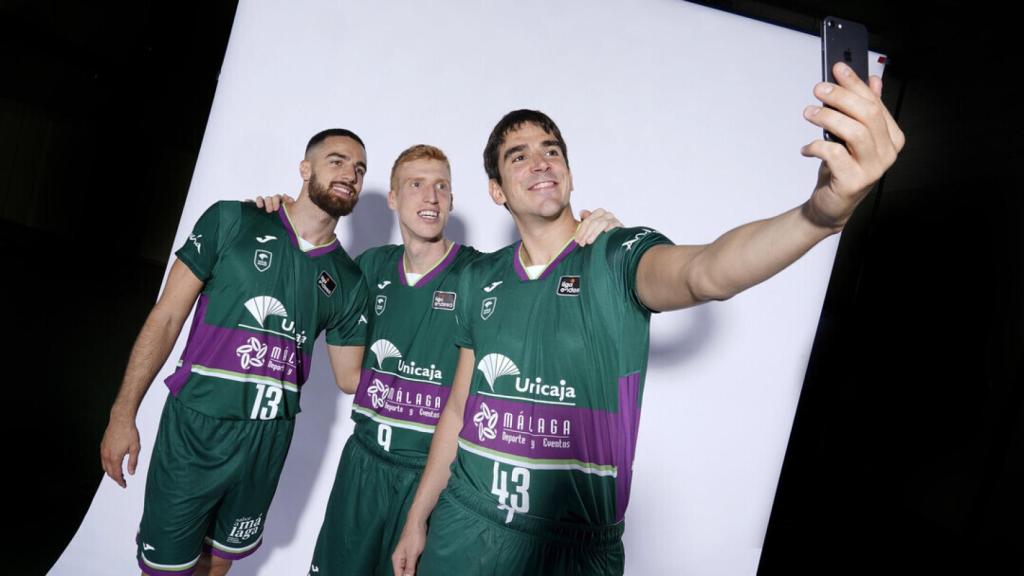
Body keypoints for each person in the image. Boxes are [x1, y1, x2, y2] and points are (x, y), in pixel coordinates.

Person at [391, 63, 905, 576]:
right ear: (497, 190)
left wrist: (821, 213)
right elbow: (458, 409)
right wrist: (418, 518)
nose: (541, 163)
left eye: (552, 151)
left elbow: (707, 272)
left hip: (571, 547)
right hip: (465, 526)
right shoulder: (481, 277)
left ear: (569, 171)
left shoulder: (615, 253)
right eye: (518, 157)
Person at [257, 144, 621, 575]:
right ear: (393, 198)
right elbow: (346, 374)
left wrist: (594, 238)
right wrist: (278, 215)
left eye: (441, 187)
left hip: (437, 475)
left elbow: (545, 280)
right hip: (365, 463)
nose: (431, 197)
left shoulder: (481, 275)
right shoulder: (369, 268)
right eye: (416, 185)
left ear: (451, 199)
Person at [99, 129, 371, 576]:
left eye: (359, 169)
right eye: (337, 161)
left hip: (267, 440)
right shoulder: (233, 220)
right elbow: (167, 317)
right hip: (196, 428)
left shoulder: (348, 278)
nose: (350, 174)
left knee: (218, 565)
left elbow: (350, 377)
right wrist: (122, 412)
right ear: (306, 169)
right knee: (166, 569)